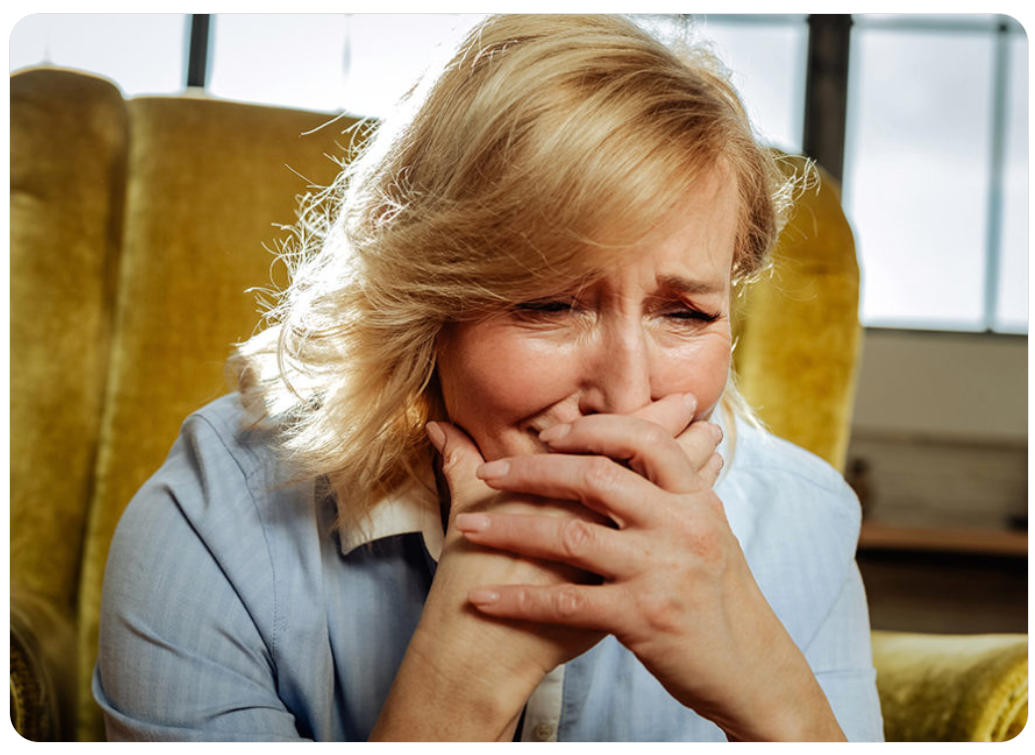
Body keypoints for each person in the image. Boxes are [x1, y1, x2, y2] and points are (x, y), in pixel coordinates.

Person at [92, 14, 883, 741]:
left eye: (683, 312)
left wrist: (775, 701)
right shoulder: (216, 522)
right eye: (548, 304)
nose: (625, 395)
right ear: (421, 306)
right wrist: (463, 675)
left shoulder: (802, 526)